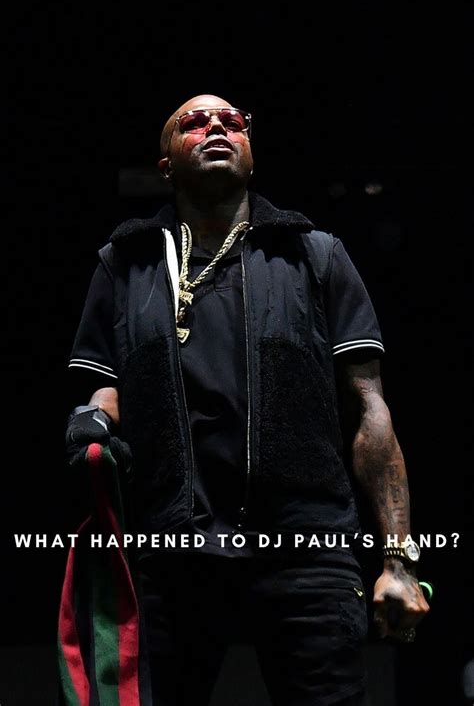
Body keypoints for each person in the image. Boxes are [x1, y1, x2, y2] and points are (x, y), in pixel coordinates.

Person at [65, 93, 429, 706]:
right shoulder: (124, 264)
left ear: (251, 153)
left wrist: (398, 560)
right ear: (166, 164)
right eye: (194, 122)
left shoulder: (315, 254)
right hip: (170, 550)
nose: (216, 126)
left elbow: (371, 410)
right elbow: (106, 386)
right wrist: (94, 419)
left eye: (232, 122)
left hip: (305, 544)